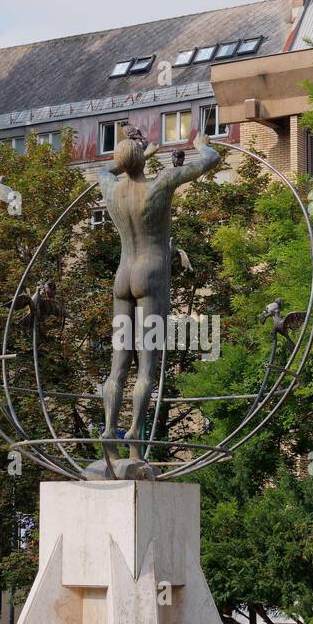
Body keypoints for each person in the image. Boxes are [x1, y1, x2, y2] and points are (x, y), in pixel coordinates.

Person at [97, 126, 220, 470]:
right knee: (146, 367)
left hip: (122, 278)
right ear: (140, 161)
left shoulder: (111, 189)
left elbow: (104, 170)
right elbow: (210, 161)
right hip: (149, 278)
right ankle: (135, 434)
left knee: (117, 367)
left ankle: (108, 428)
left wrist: (137, 157)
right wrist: (201, 144)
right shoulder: (160, 184)